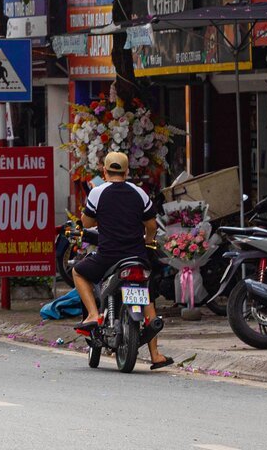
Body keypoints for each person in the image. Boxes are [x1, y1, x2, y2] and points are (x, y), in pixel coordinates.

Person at [72, 150, 171, 369]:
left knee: (78, 271)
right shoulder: (139, 193)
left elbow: (87, 224)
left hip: (108, 257)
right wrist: (148, 242)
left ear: (104, 171)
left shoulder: (98, 192)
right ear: (126, 172)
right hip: (137, 256)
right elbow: (152, 226)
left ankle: (92, 314)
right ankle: (155, 354)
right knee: (147, 296)